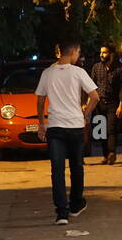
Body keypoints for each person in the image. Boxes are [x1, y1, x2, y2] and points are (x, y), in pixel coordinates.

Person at [36, 40, 100, 223]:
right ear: (72, 52)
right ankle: (76, 203)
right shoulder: (79, 72)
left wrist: (41, 124)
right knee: (76, 167)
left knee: (57, 170)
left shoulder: (47, 73)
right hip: (75, 126)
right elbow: (95, 96)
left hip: (55, 126)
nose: (78, 56)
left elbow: (40, 100)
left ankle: (61, 213)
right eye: (78, 52)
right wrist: (85, 114)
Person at [89, 45, 122, 165]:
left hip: (113, 103)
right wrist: (90, 102)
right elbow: (92, 85)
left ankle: (112, 153)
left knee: (111, 129)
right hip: (99, 103)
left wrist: (121, 105)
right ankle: (105, 155)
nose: (101, 55)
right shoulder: (96, 67)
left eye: (104, 52)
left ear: (111, 54)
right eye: (101, 52)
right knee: (101, 130)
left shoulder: (119, 68)